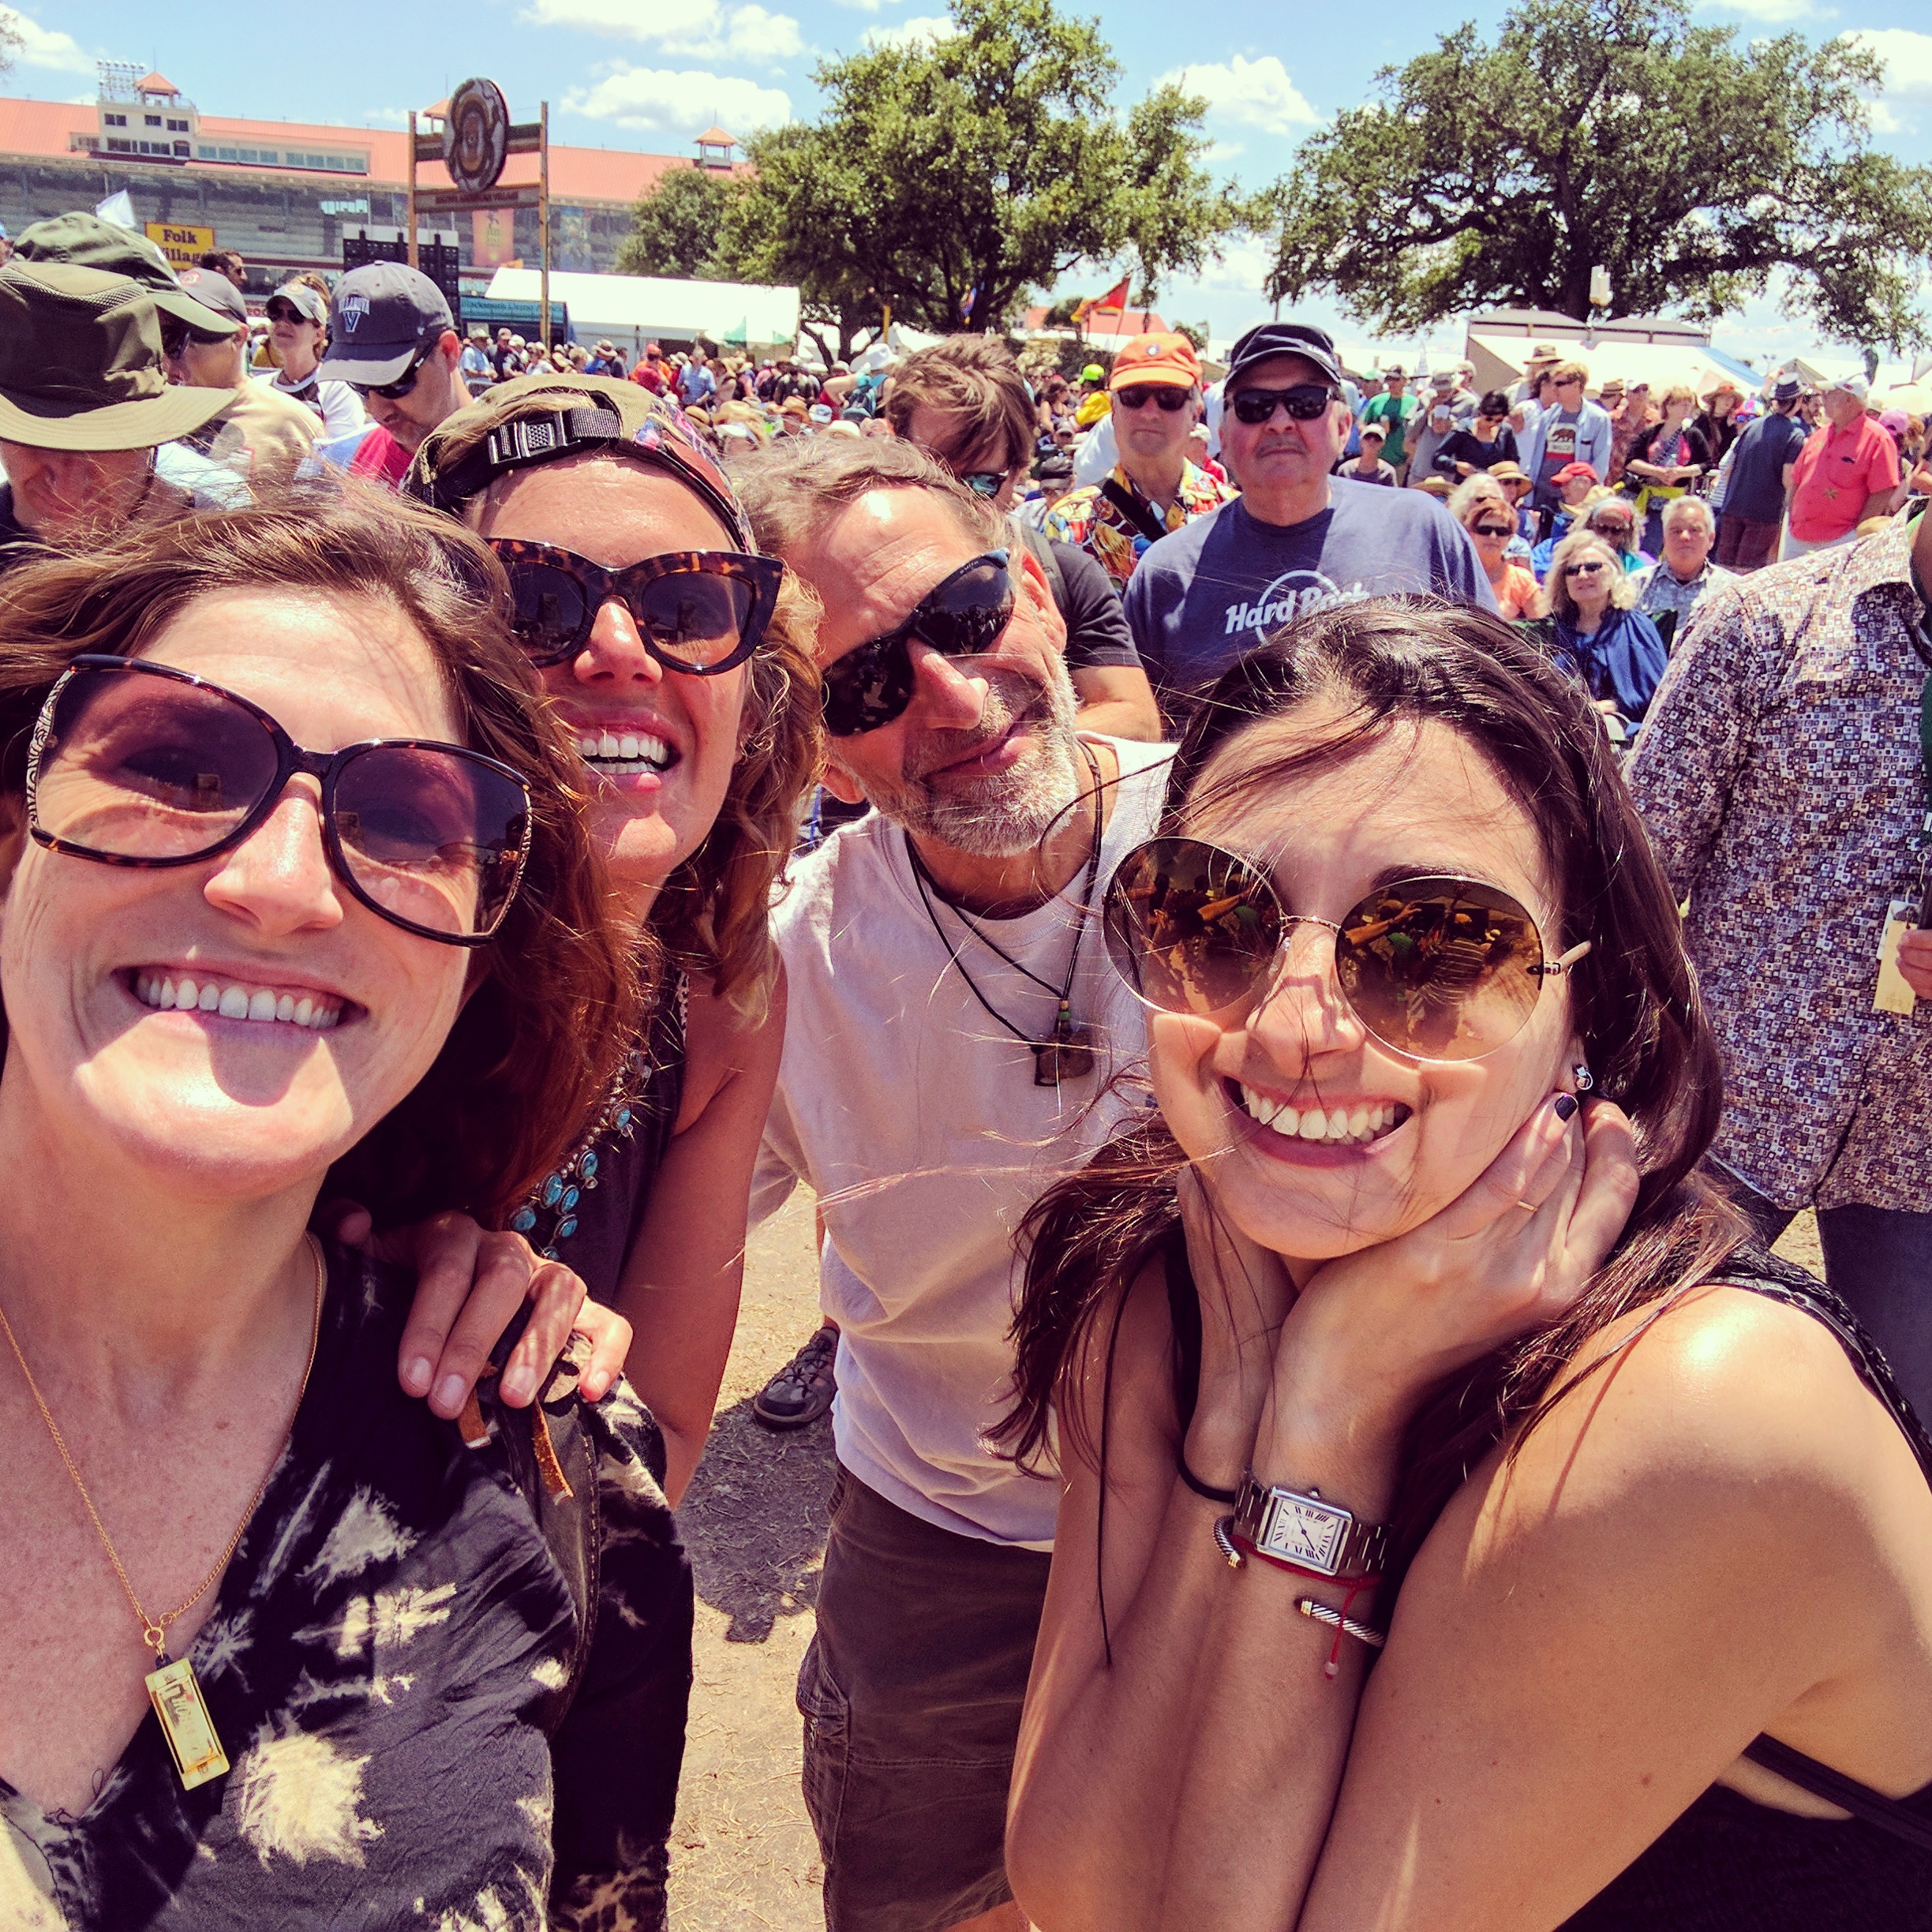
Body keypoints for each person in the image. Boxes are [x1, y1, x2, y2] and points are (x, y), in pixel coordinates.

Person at [997, 595, 1932, 1932]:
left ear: (1585, 1008)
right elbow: (1080, 1881)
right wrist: (1243, 1396)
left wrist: (1324, 1420)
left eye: (1433, 944)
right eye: (1214, 914)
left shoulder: (1702, 1414)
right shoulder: (1170, 1275)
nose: (1293, 1026)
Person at [0, 488, 691, 1926]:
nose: (277, 884)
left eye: (404, 818)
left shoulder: (545, 1458)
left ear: (471, 961)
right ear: (15, 832)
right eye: (175, 763)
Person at [733, 434, 1174, 1932]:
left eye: (966, 612)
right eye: (865, 684)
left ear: (1037, 593)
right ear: (819, 754)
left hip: (1248, 1518)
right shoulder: (792, 966)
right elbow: (627, 1229)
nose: (949, 693)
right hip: (945, 1529)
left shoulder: (1250, 836)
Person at [405, 371, 820, 1504]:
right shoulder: (329, 932)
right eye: (532, 599)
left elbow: (663, 1449)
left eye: (686, 608)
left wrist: (552, 1382)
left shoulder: (727, 1002)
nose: (621, 651)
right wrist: (341, 1288)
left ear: (753, 694)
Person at [1629, 501, 1932, 1411]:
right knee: (1628, 1401)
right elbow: (1637, 869)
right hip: (1733, 1116)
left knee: (1909, 1439)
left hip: (1917, 1153)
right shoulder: (1769, 621)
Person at [1121, 321, 1493, 718]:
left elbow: (1499, 692)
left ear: (1344, 427)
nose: (1280, 422)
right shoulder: (1165, 574)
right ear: (1223, 437)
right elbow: (1142, 729)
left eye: (1306, 401)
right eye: (1254, 405)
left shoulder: (1422, 528)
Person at [883, 335, 1162, 740]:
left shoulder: (1063, 574)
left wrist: (1001, 745)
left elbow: (1135, 718)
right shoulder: (854, 576)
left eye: (978, 483)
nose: (951, 502)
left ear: (1017, 471)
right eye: (930, 477)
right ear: (895, 452)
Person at [0, 262, 229, 567]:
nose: (68, 488)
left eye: (106, 446)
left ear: (154, 438)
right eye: (35, 440)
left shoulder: (218, 553)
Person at [1043, 333, 1234, 592]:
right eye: (1134, 396)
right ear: (1113, 411)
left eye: (1170, 397)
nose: (1150, 412)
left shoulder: (1231, 515)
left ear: (1195, 413)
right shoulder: (1067, 525)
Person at [314, 262, 471, 486]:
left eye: (392, 382)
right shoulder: (341, 460)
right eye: (359, 385)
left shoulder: (512, 472)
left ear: (448, 351)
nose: (376, 409)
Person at [161, 266, 319, 484]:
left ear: (237, 337)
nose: (177, 347)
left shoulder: (291, 422)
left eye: (195, 331)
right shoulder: (150, 410)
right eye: (168, 332)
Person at [1541, 526, 1669, 732]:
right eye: (1572, 570)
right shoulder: (1551, 630)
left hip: (1620, 731)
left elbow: (1657, 696)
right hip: (1560, 727)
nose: (1582, 575)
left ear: (1614, 574)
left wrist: (1608, 707)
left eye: (1593, 567)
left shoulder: (1637, 628)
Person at [1782, 375, 1900, 559]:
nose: (1823, 397)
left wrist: (1857, 534)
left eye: (1831, 393)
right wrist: (1791, 519)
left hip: (1839, 541)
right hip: (1797, 536)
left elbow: (1883, 491)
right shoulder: (1820, 434)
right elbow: (1797, 478)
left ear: (1849, 399)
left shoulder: (1877, 439)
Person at [1713, 376, 1808, 571]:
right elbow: (1788, 479)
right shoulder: (1795, 435)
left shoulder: (1751, 425)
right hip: (1763, 513)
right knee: (1747, 572)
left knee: (1723, 569)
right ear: (1798, 400)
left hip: (1733, 506)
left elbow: (1729, 468)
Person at [259, 278, 368, 442]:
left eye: (296, 317)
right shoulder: (258, 386)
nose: (282, 322)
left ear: (318, 334)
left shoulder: (336, 390)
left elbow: (340, 454)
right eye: (276, 315)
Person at [1623, 384, 1712, 557]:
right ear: (1669, 406)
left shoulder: (1693, 435)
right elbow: (1631, 462)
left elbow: (1706, 464)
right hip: (1645, 497)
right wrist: (1657, 472)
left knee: (1654, 546)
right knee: (1638, 545)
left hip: (1672, 500)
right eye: (1682, 403)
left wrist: (1682, 472)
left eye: (1689, 404)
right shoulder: (1650, 433)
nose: (1687, 407)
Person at [1518, 360, 1614, 522]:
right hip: (1543, 493)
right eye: (1552, 384)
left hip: (1574, 497)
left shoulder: (1598, 418)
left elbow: (1600, 462)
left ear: (1577, 386)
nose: (1554, 389)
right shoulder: (1548, 416)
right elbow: (1536, 458)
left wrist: (1589, 496)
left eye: (1560, 384)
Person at [1633, 495, 1730, 648]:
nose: (1685, 537)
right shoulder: (1636, 585)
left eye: (1694, 530)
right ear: (1664, 539)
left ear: (1711, 539)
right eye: (1676, 531)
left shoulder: (1730, 591)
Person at [1451, 475, 1539, 617]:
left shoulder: (1521, 579)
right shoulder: (1452, 573)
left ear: (1511, 537)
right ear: (1471, 533)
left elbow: (1542, 625)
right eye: (1485, 530)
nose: (1493, 536)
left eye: (1501, 532)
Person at [1527, 462, 1602, 578]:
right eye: (1561, 485)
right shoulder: (1559, 523)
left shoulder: (1610, 514)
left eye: (1567, 483)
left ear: (1585, 482)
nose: (1563, 489)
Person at [1433, 390, 1518, 480]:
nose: (1492, 423)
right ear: (1481, 412)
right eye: (1488, 419)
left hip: (1494, 484)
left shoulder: (1506, 431)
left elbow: (1513, 461)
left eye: (1499, 421)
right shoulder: (1464, 429)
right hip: (1465, 484)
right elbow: (1437, 458)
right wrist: (1456, 466)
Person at [1358, 364, 1417, 477]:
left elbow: (1418, 432)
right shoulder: (1376, 401)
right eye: (1389, 379)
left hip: (1401, 462)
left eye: (1396, 379)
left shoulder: (1413, 403)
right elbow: (1362, 424)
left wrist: (1411, 456)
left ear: (1405, 381)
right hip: (1375, 461)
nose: (1391, 383)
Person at [1333, 421, 1396, 486]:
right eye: (1368, 437)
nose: (1372, 441)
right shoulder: (1345, 469)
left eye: (1377, 439)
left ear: (1383, 444)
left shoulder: (1387, 472)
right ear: (1361, 441)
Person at [461, 326, 495, 397]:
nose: (485, 343)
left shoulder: (482, 354)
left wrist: (492, 374)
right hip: (473, 391)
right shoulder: (469, 352)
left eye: (486, 340)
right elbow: (469, 372)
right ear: (474, 341)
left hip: (483, 390)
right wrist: (486, 374)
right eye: (482, 340)